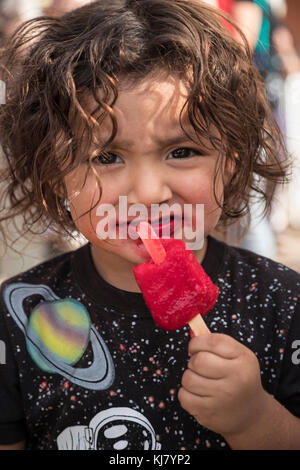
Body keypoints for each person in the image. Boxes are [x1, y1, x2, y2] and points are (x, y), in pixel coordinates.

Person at [0, 0, 299, 451]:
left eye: (181, 151)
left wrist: (255, 419)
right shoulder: (17, 315)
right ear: (54, 172)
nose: (146, 193)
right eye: (106, 157)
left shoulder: (283, 305)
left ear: (232, 162)